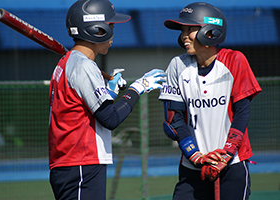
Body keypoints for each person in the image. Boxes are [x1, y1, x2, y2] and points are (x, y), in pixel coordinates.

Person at [48, 0, 166, 199]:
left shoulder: (70, 62)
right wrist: (138, 88)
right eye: (110, 27)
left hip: (76, 163)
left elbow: (83, 111)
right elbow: (110, 119)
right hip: (80, 162)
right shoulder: (83, 66)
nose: (112, 35)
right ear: (96, 30)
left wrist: (108, 95)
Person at [159, 2, 262, 200]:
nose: (183, 36)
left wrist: (227, 153)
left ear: (210, 31)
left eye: (190, 29)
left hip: (232, 164)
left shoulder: (235, 60)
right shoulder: (176, 65)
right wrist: (194, 155)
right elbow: (175, 118)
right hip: (192, 166)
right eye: (182, 30)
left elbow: (242, 112)